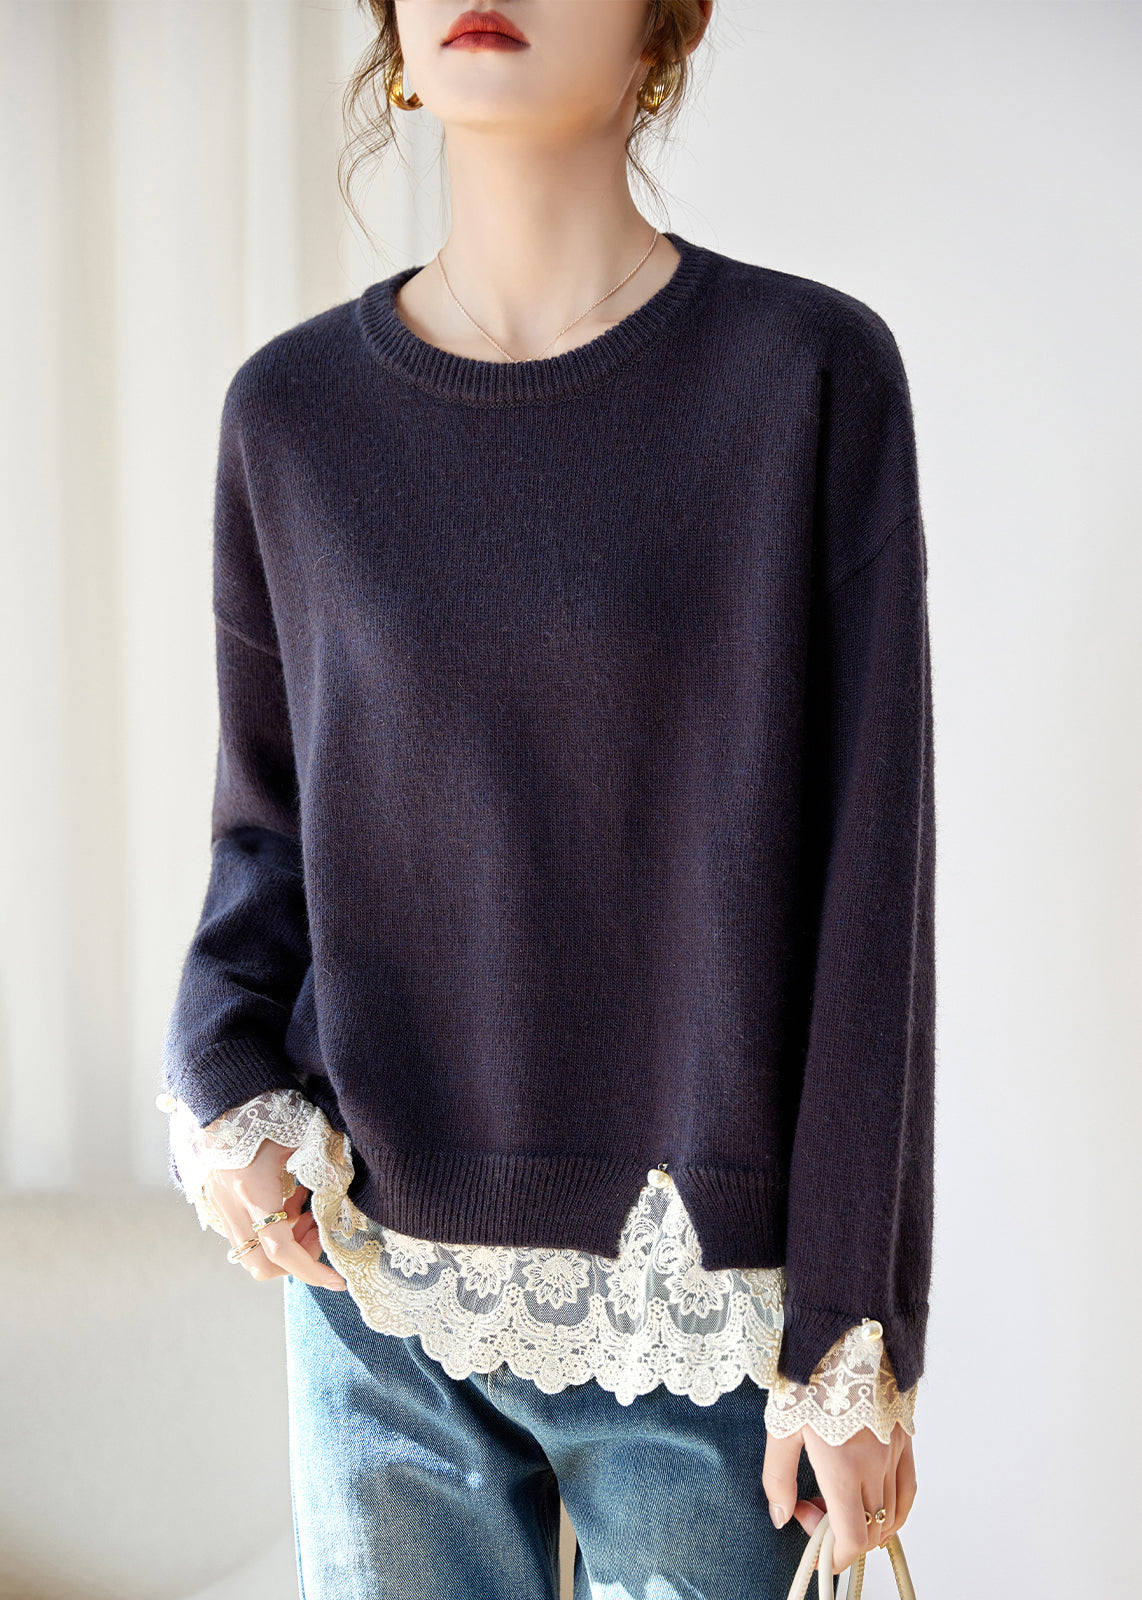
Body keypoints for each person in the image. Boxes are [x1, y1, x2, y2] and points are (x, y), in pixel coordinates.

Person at [157, 2, 935, 1596]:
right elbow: (266, 837)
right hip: (370, 1285)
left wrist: (850, 1329)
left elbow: (874, 892)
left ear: (664, 25)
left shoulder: (801, 377)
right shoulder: (291, 417)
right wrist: (222, 1083)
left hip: (699, 1315)